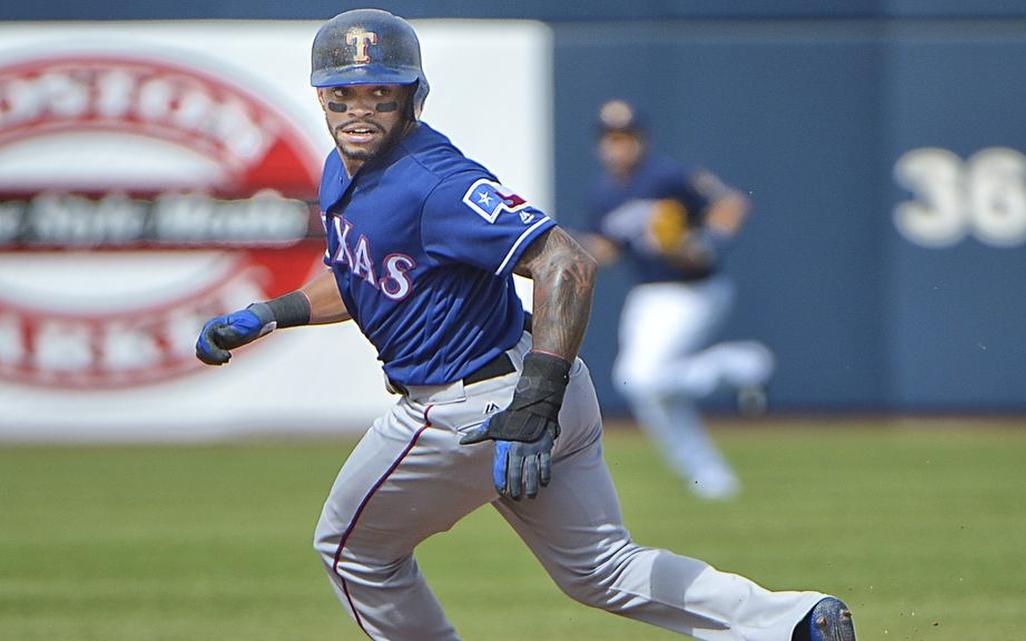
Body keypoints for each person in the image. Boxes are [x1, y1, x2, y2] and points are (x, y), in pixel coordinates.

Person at [195, 9, 855, 641]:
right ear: (320, 97)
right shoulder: (345, 167)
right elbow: (359, 275)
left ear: (412, 96)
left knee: (351, 549)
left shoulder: (434, 182)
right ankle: (795, 622)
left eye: (379, 93)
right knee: (603, 569)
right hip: (535, 390)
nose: (359, 110)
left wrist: (533, 403)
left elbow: (568, 262)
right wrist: (270, 313)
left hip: (479, 405)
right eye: (342, 96)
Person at [578, 99, 776, 501]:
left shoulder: (667, 176)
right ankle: (708, 477)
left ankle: (736, 365)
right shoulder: (603, 194)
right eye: (610, 138)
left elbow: (731, 204)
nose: (618, 146)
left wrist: (705, 242)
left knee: (641, 378)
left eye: (626, 137)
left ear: (641, 139)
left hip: (694, 291)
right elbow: (610, 248)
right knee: (651, 396)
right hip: (649, 295)